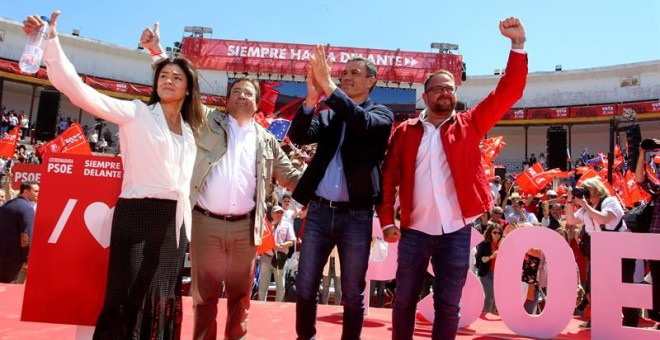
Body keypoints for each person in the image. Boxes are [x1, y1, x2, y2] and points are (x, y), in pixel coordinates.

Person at [24, 11, 206, 339]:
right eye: (163, 76)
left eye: (177, 78)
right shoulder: (136, 112)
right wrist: (52, 44)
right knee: (127, 297)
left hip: (174, 225)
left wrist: (158, 53)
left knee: (162, 296)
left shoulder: (192, 130)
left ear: (189, 89)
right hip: (136, 216)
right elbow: (81, 94)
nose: (168, 80)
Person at [140, 23, 302, 339]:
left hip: (246, 227)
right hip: (205, 224)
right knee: (205, 297)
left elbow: (293, 177)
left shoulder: (267, 141)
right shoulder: (207, 121)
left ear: (258, 105)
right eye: (237, 91)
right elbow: (181, 93)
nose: (242, 95)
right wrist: (157, 53)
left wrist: (330, 189)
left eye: (249, 93)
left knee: (242, 298)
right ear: (227, 100)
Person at [376, 17, 527, 339]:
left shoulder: (470, 123)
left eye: (451, 88)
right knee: (403, 299)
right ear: (426, 95)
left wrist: (517, 46)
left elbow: (509, 91)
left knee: (448, 304)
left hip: (456, 229)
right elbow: (389, 177)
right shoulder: (405, 132)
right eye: (439, 88)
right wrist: (387, 220)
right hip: (414, 230)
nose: (446, 93)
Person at [288, 44, 394, 340]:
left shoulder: (382, 114)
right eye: (343, 73)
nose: (345, 77)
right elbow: (298, 135)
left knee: (352, 291)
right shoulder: (330, 115)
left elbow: (360, 124)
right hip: (320, 212)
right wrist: (311, 99)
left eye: (354, 73)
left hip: (356, 217)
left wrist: (330, 88)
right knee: (306, 285)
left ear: (372, 80)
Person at [565, 177, 638, 329]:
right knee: (595, 287)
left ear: (596, 189)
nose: (584, 192)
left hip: (620, 248)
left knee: (623, 285)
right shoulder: (586, 207)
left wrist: (585, 204)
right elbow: (571, 221)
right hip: (599, 250)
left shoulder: (609, 201)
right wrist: (570, 201)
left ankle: (630, 321)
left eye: (587, 189)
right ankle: (598, 319)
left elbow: (604, 219)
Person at [634, 140, 660, 328]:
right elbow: (640, 180)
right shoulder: (658, 190)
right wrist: (642, 154)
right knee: (658, 280)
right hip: (655, 239)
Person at [0, 180, 38, 283]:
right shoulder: (27, 209)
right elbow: (25, 236)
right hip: (13, 259)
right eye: (35, 191)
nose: (38, 194)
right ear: (26, 191)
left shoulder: (6, 205)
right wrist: (27, 258)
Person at [258, 205, 296, 302]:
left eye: (281, 212)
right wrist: (270, 227)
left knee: (280, 285)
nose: (279, 214)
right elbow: (259, 239)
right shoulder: (266, 225)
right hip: (266, 257)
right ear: (272, 214)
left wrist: (281, 246)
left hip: (280, 258)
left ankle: (278, 307)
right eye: (277, 212)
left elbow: (292, 241)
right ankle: (261, 306)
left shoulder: (287, 225)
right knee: (263, 284)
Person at [475, 223, 503, 314]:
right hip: (486, 273)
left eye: (499, 233)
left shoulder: (502, 244)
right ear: (490, 233)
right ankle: (485, 314)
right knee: (490, 296)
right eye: (494, 232)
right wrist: (491, 256)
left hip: (498, 274)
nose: (497, 235)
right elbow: (478, 259)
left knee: (497, 298)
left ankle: (492, 315)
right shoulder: (484, 244)